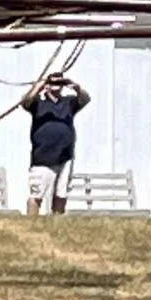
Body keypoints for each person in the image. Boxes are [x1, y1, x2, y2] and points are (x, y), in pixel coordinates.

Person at [22, 73, 91, 216]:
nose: (56, 86)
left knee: (61, 194)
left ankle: (57, 225)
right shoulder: (39, 104)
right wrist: (38, 87)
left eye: (60, 83)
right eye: (53, 83)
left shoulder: (68, 103)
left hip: (65, 156)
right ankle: (30, 225)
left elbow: (85, 99)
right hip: (43, 158)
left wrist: (76, 87)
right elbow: (25, 102)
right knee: (37, 194)